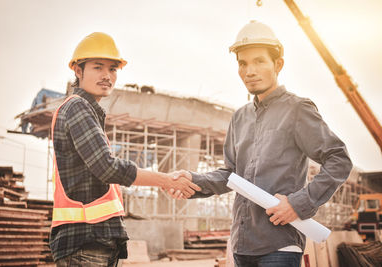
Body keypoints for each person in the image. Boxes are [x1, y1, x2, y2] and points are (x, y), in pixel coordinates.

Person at [172, 21, 352, 267]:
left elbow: (339, 160)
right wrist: (192, 181)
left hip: (279, 244)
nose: (249, 71)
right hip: (243, 244)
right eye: (243, 63)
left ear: (278, 65)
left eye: (259, 61)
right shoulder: (240, 117)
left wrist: (298, 203)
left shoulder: (297, 109)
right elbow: (231, 175)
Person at [49, 32, 200, 267]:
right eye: (98, 67)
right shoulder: (77, 108)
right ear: (78, 71)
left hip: (94, 242)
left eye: (113, 69)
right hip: (85, 243)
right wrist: (167, 180)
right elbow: (108, 168)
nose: (107, 76)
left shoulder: (87, 111)